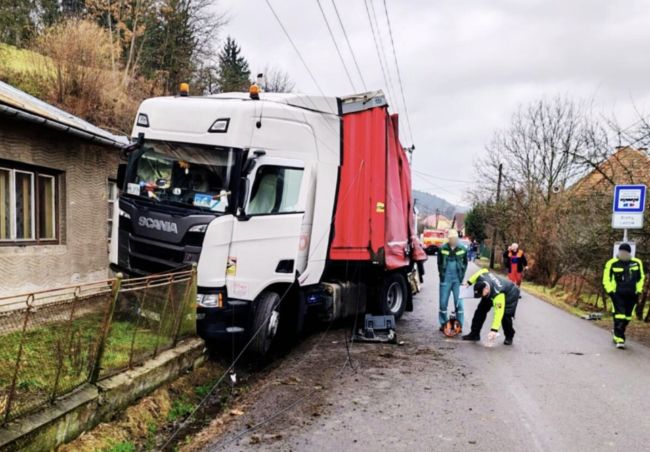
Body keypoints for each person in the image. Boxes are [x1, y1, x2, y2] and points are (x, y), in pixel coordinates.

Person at [602, 243, 645, 349]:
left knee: (627, 316)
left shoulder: (637, 263)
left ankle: (617, 333)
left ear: (629, 253)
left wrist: (638, 291)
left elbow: (641, 278)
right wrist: (610, 292)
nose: (623, 254)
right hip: (618, 294)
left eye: (625, 252)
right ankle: (620, 338)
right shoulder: (612, 263)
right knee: (619, 315)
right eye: (621, 252)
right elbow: (606, 278)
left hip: (632, 294)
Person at [462, 268, 520, 345]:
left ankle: (509, 336)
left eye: (481, 295)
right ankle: (474, 334)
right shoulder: (482, 278)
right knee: (480, 310)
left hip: (510, 293)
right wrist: (469, 282)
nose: (480, 296)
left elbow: (498, 313)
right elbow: (482, 271)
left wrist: (494, 330)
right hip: (491, 291)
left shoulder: (498, 295)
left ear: (486, 289)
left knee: (505, 316)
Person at [437, 230, 468, 331]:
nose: (453, 240)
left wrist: (462, 276)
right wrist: (442, 276)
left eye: (455, 239)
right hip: (445, 278)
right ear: (449, 239)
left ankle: (459, 325)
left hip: (457, 280)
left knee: (459, 303)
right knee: (443, 303)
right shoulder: (442, 248)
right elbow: (439, 263)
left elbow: (465, 263)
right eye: (451, 239)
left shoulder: (463, 248)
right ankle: (443, 324)